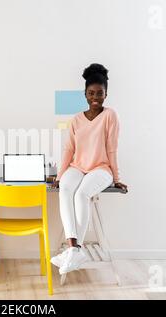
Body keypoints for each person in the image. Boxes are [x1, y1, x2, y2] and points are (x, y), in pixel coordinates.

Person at [51, 63, 128, 275]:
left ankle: (74, 250)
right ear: (84, 94)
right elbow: (69, 149)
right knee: (66, 189)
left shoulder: (110, 115)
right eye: (91, 93)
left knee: (82, 194)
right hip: (78, 166)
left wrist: (117, 177)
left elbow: (112, 149)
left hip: (101, 168)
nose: (95, 97)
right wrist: (59, 176)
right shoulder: (76, 119)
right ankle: (73, 248)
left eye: (100, 93)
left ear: (106, 94)